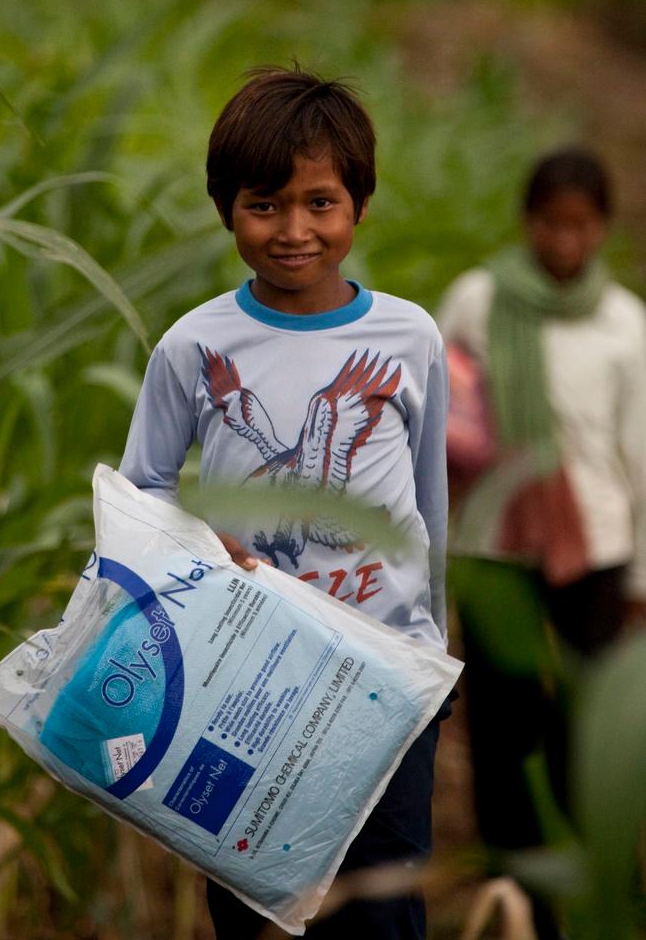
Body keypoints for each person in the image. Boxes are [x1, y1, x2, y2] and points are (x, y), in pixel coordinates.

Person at [119, 67, 452, 939]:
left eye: (321, 202)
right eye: (265, 205)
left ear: (360, 206)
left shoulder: (409, 337)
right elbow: (142, 489)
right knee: (254, 909)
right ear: (227, 208)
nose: (295, 230)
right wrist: (199, 544)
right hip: (247, 683)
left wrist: (436, 652)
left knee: (381, 911)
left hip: (386, 677)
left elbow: (428, 500)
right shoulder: (193, 346)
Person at [436, 147, 646, 940]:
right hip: (493, 547)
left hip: (597, 551)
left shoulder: (626, 324)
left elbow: (642, 457)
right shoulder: (476, 299)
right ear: (528, 222)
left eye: (581, 225)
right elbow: (438, 407)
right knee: (502, 724)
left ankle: (599, 887)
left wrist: (641, 585)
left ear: (602, 229)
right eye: (551, 223)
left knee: (594, 730)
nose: (564, 242)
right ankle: (514, 896)